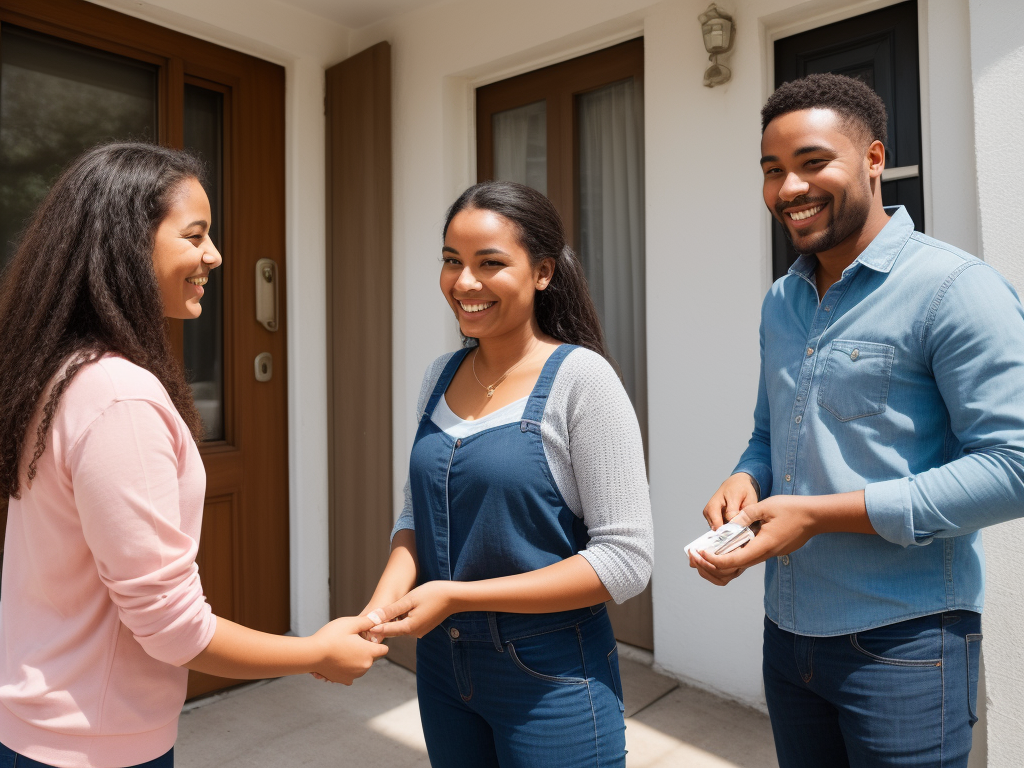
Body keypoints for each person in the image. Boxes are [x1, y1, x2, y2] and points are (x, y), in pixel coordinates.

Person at [0, 143, 387, 768]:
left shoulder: (59, 371)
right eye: (196, 235)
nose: (215, 255)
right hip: (89, 743)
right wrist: (315, 653)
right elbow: (172, 627)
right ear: (130, 243)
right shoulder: (119, 397)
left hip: (45, 722)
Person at [689, 72, 1024, 767]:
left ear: (874, 159)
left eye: (813, 163)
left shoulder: (956, 292)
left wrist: (819, 515)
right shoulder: (782, 301)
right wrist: (745, 478)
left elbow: (1013, 468)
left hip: (906, 646)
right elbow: (768, 434)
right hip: (786, 637)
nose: (788, 190)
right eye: (772, 171)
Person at [360, 181, 653, 767]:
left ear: (543, 272)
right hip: (444, 668)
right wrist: (377, 612)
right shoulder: (439, 375)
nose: (464, 283)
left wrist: (457, 596)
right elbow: (417, 516)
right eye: (451, 261)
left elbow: (626, 561)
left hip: (550, 673)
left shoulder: (582, 381)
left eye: (489, 263)